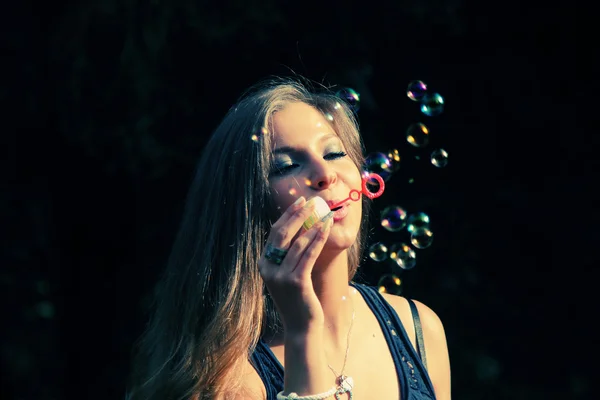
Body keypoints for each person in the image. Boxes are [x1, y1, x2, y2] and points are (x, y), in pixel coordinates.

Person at [126, 76, 451, 400]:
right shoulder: (224, 380)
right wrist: (302, 331)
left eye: (334, 153)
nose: (324, 174)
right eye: (287, 166)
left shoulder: (418, 330)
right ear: (250, 207)